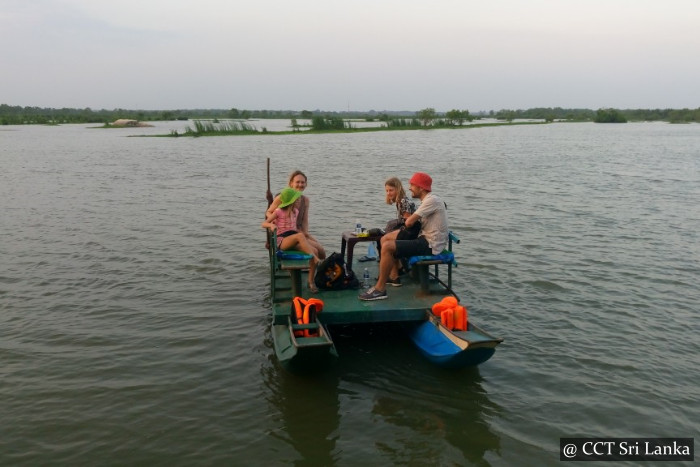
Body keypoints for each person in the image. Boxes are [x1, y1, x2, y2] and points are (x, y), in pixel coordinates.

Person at [359, 172, 448, 301]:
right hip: (425, 240)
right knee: (387, 241)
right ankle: (393, 276)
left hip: (430, 244)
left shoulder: (431, 200)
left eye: (412, 185)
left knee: (388, 246)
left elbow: (409, 222)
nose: (410, 188)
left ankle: (380, 289)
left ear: (421, 188)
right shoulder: (429, 200)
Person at [262, 188, 321, 293]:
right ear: (290, 201)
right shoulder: (278, 211)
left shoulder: (295, 211)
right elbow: (264, 223)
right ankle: (315, 258)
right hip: (283, 240)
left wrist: (308, 236)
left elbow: (293, 228)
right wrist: (271, 225)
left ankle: (310, 281)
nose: (298, 201)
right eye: (296, 200)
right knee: (300, 236)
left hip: (293, 238)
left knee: (314, 250)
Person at [266, 170, 326, 259]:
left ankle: (319, 271)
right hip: (285, 235)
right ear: (291, 183)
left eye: (303, 182)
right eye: (297, 182)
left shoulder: (305, 200)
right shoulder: (283, 197)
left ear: (306, 184)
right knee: (314, 251)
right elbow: (269, 212)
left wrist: (306, 234)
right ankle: (308, 269)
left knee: (321, 251)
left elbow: (304, 220)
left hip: (298, 232)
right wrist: (273, 222)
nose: (300, 185)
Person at [377, 177, 416, 282]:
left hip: (412, 233)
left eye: (391, 190)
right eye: (387, 191)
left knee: (386, 241)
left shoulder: (403, 202)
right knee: (387, 235)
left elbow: (408, 223)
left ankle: (394, 275)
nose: (389, 193)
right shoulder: (401, 200)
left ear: (397, 189)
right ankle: (396, 270)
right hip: (409, 231)